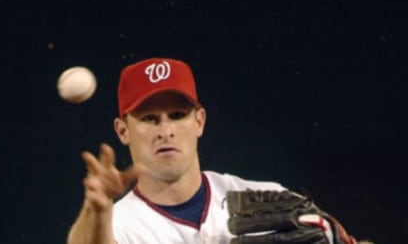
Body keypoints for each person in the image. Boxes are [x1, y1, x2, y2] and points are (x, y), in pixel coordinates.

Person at [67, 57, 356, 244]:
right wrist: (97, 211)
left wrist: (338, 239)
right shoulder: (118, 225)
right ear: (122, 130)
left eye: (177, 115)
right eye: (149, 119)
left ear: (199, 121)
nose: (165, 130)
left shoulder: (268, 201)